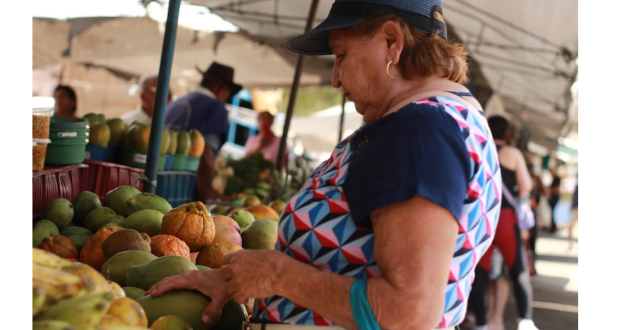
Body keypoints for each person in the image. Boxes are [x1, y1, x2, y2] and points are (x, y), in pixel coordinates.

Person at [146, 1, 501, 329]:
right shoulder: (451, 118)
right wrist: (238, 278)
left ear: (391, 41)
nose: (335, 78)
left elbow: (410, 311)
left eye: (341, 55)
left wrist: (278, 276)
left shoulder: (418, 129)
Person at [468, 116, 538, 330]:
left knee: (478, 275)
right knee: (518, 270)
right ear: (507, 133)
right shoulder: (513, 154)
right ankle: (525, 321)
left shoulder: (476, 146)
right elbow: (525, 186)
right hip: (506, 217)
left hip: (481, 216)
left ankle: (481, 324)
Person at [164, 62, 242, 203]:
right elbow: (206, 151)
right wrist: (208, 197)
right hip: (187, 193)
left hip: (163, 184)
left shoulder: (175, 104)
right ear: (223, 89)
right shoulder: (215, 108)